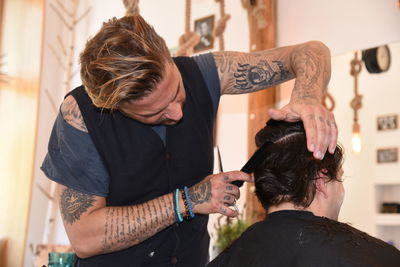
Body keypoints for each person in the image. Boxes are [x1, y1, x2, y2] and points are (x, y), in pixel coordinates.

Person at [41, 14, 337, 266]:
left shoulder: (205, 73)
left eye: (177, 91)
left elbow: (312, 51)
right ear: (113, 105)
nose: (177, 111)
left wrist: (307, 98)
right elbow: (85, 237)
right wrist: (188, 201)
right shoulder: (80, 115)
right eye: (156, 112)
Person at [208, 120, 400, 267]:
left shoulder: (229, 258)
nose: (342, 190)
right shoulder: (380, 258)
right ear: (322, 180)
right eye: (340, 178)